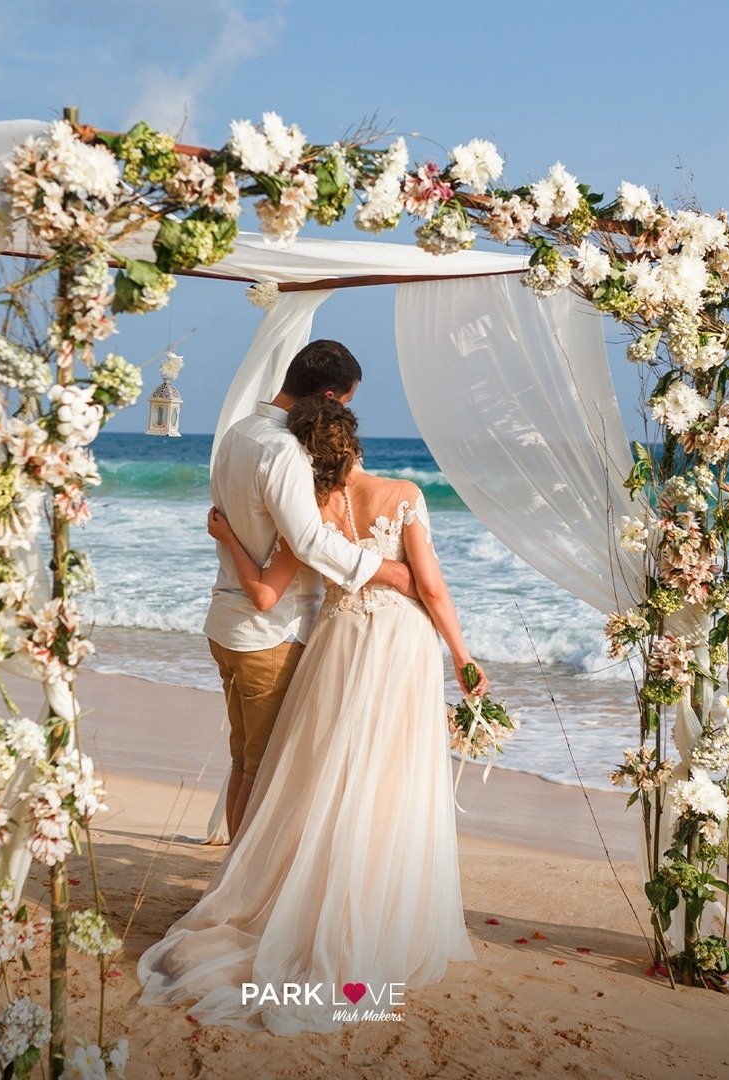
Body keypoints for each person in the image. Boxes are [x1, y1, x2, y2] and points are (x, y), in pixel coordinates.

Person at [137, 397, 485, 1033]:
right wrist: (463, 658)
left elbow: (267, 586)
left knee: (322, 773)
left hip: (334, 643)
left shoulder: (311, 513)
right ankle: (370, 910)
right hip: (398, 646)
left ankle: (295, 892)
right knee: (388, 777)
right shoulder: (404, 493)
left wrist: (228, 539)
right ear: (353, 444)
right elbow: (430, 587)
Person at [203, 339, 414, 839]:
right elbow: (308, 540)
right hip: (269, 633)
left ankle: (234, 877)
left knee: (244, 762)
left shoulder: (237, 433)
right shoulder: (282, 450)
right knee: (265, 770)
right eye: (344, 402)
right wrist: (389, 571)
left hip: (228, 623)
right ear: (327, 396)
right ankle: (239, 886)